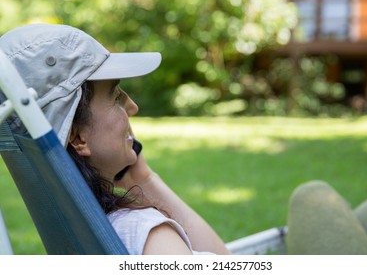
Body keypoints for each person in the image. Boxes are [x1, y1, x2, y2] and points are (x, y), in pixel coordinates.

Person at [0, 23, 230, 255]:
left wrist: (142, 177)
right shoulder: (147, 235)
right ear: (78, 137)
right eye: (116, 96)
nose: (132, 107)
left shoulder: (79, 228)